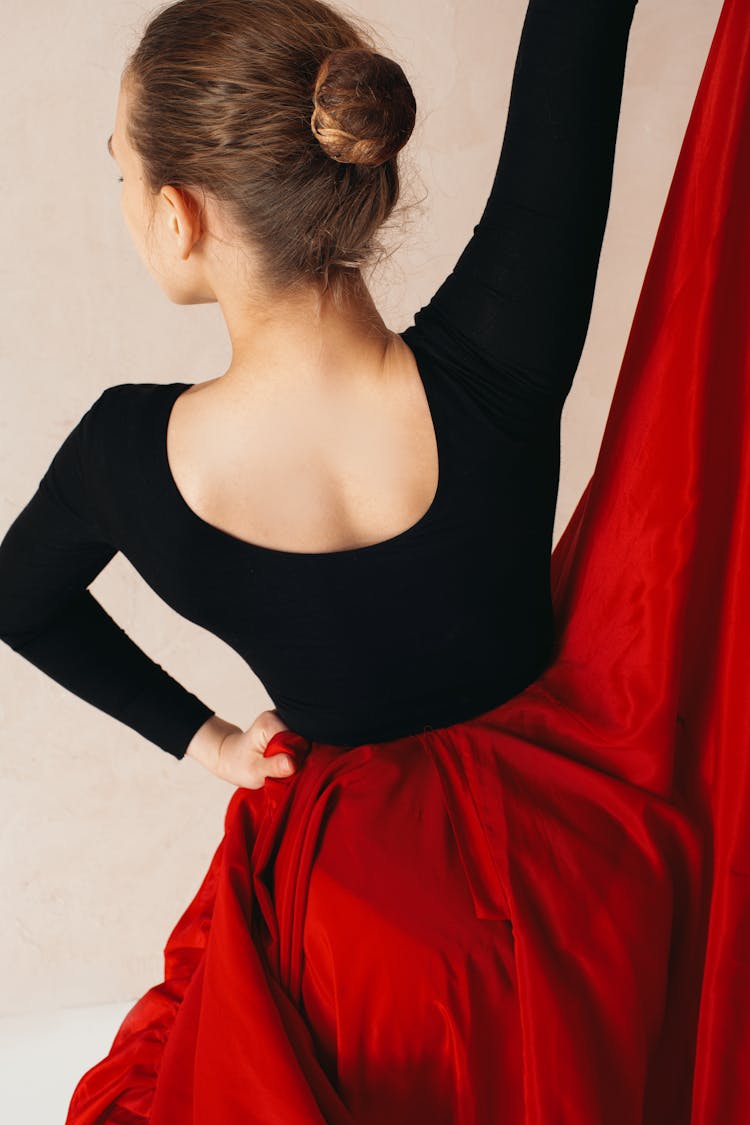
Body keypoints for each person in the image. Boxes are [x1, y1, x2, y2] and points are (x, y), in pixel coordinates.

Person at [8, 0, 743, 1120]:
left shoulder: (129, 455)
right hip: (583, 863)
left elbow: (20, 601)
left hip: (360, 921)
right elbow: (579, 33)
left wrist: (205, 740)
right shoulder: (500, 355)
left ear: (176, 216)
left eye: (120, 169)